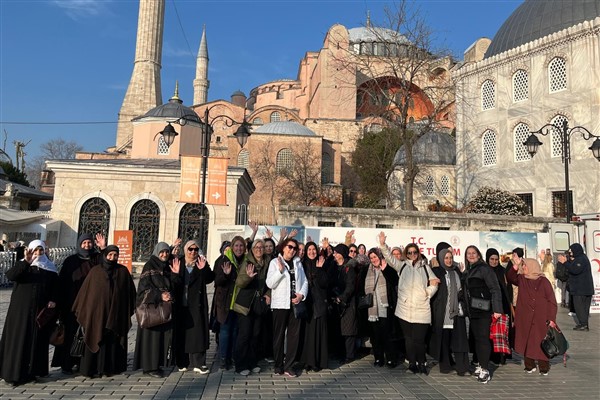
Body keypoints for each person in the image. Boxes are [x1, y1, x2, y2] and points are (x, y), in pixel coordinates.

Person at [378, 233, 439, 375]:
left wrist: (428, 292)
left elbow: (435, 282)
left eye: (415, 252)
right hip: (404, 309)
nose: (412, 254)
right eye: (410, 252)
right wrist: (382, 244)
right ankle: (412, 364)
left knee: (419, 339)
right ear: (406, 253)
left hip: (421, 309)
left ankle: (422, 362)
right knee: (409, 340)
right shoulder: (402, 266)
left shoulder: (425, 267)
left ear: (418, 253)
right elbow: (390, 258)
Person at [0, 240, 59, 385]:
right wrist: (26, 262)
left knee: (36, 341)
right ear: (30, 250)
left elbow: (56, 288)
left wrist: (53, 299)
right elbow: (10, 276)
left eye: (41, 250)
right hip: (20, 311)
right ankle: (14, 374)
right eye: (35, 250)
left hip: (39, 312)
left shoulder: (50, 268)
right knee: (19, 340)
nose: (38, 253)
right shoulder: (23, 265)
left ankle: (33, 372)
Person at [73, 245, 136, 378]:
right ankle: (91, 369)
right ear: (105, 255)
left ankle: (109, 368)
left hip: (115, 314)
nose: (112, 258)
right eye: (110, 255)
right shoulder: (95, 271)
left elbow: (130, 293)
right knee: (95, 336)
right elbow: (86, 294)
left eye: (115, 255)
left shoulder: (122, 271)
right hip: (96, 315)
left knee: (112, 342)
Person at [52, 233, 105, 374]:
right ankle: (67, 363)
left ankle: (84, 364)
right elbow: (62, 283)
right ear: (79, 244)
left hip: (90, 304)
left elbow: (108, 265)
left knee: (87, 333)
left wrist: (103, 248)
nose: (87, 246)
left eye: (89, 243)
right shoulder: (71, 261)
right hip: (71, 304)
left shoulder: (96, 259)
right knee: (70, 333)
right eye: (84, 243)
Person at [133, 242, 181, 377]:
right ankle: (149, 367)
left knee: (162, 339)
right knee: (151, 340)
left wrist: (176, 274)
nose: (164, 254)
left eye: (166, 252)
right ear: (156, 252)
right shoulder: (150, 265)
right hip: (152, 310)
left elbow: (175, 286)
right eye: (162, 252)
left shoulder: (168, 266)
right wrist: (159, 295)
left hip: (165, 310)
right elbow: (143, 290)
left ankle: (158, 364)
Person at [506, 258, 557, 374]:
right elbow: (509, 277)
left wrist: (552, 318)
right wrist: (516, 266)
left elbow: (551, 301)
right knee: (526, 340)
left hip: (541, 317)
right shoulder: (522, 279)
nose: (523, 267)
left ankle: (544, 366)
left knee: (542, 340)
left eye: (525, 265)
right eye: (523, 266)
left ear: (533, 266)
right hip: (525, 317)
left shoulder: (543, 281)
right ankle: (529, 365)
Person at [266, 238, 308, 377]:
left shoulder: (298, 263)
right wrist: (279, 271)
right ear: (283, 248)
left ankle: (289, 365)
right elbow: (269, 284)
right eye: (290, 247)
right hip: (280, 304)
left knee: (293, 337)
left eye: (295, 248)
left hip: (295, 304)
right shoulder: (275, 262)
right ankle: (278, 365)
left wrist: (301, 295)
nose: (292, 250)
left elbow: (305, 282)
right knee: (278, 336)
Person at [173, 240, 214, 374]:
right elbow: (172, 279)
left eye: (196, 249)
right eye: (190, 249)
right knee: (181, 333)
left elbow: (209, 279)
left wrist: (203, 270)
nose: (193, 252)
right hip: (180, 304)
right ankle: (182, 361)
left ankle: (199, 363)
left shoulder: (200, 262)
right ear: (185, 250)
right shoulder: (178, 261)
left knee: (198, 333)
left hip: (196, 304)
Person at [463, 245, 503, 383]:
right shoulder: (468, 270)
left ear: (478, 255)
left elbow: (495, 289)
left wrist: (497, 309)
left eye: (474, 253)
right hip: (473, 311)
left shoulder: (484, 269)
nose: (471, 255)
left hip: (484, 310)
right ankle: (481, 365)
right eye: (469, 253)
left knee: (483, 339)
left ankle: (485, 369)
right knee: (477, 339)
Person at [429, 248, 469, 375]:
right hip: (442, 311)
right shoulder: (436, 272)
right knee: (444, 340)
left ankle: (462, 367)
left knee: (460, 339)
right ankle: (445, 366)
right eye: (446, 258)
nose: (449, 260)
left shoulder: (457, 271)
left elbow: (461, 290)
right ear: (441, 259)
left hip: (456, 311)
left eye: (450, 257)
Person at [233, 239, 268, 376]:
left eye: (261, 247)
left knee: (255, 334)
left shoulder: (266, 263)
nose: (259, 249)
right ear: (252, 249)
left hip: (258, 304)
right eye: (256, 247)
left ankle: (252, 362)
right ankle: (241, 365)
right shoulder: (247, 262)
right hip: (245, 304)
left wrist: (269, 294)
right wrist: (248, 277)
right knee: (244, 335)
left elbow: (270, 282)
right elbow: (239, 283)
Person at [213, 236, 245, 370]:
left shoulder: (244, 261)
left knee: (235, 331)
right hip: (225, 302)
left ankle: (232, 356)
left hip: (238, 302)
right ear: (232, 247)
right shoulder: (223, 260)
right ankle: (223, 359)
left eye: (241, 246)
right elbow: (217, 281)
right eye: (236, 246)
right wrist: (226, 274)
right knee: (225, 331)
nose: (239, 248)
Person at [365, 247, 399, 368]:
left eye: (375, 257)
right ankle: (378, 358)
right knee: (375, 335)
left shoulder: (387, 267)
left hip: (385, 306)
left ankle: (391, 358)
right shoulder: (368, 270)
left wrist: (385, 268)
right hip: (372, 308)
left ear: (379, 257)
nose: (373, 260)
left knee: (387, 334)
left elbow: (394, 280)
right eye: (371, 258)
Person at [327, 243, 358, 365]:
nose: (334, 254)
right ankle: (339, 352)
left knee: (348, 330)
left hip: (348, 303)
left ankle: (349, 355)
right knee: (338, 328)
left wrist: (342, 297)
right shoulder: (334, 266)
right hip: (336, 302)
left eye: (336, 252)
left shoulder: (349, 267)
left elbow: (350, 286)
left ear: (342, 254)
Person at [301, 241, 329, 372]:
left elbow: (325, 284)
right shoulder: (302, 265)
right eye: (309, 250)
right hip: (306, 304)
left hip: (319, 304)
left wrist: (319, 270)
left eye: (314, 249)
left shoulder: (322, 262)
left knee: (318, 333)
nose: (312, 252)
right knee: (307, 334)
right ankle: (307, 361)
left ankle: (317, 361)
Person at [486, 248, 513, 365]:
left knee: (502, 333)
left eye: (496, 259)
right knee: (491, 332)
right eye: (491, 259)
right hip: (488, 306)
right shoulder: (485, 271)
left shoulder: (502, 271)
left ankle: (501, 356)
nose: (494, 261)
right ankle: (491, 355)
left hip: (503, 305)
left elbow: (508, 289)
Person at [558, 243, 594, 331]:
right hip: (585, 289)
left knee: (580, 307)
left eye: (571, 251)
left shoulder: (581, 259)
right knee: (584, 308)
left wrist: (565, 263)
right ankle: (584, 324)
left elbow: (575, 270)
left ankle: (583, 324)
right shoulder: (582, 258)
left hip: (580, 289)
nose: (570, 253)